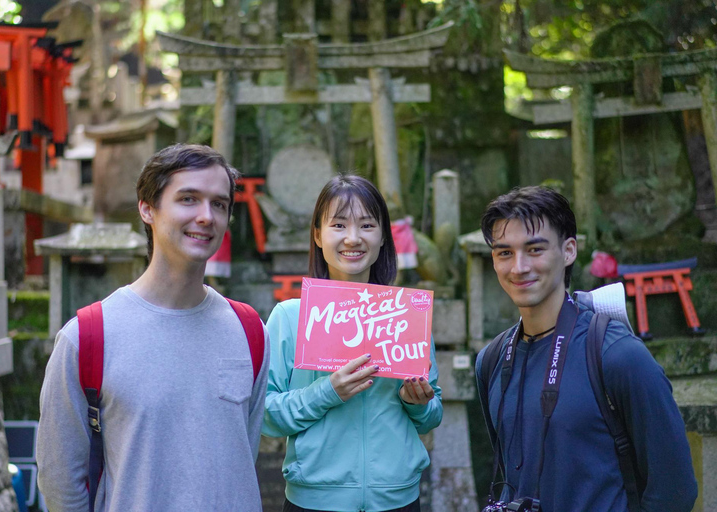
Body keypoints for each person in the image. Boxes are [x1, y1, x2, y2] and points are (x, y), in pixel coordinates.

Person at [37, 144, 270, 512]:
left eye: (219, 204)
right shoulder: (87, 336)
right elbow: (61, 482)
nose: (206, 216)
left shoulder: (250, 330)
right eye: (188, 199)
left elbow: (243, 455)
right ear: (147, 208)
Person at [475, 186, 697, 511]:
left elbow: (674, 491)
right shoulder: (491, 360)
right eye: (504, 253)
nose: (518, 267)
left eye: (535, 249)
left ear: (568, 251)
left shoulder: (618, 356)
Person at [262, 174, 443, 512]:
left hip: (398, 499)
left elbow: (432, 416)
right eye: (339, 225)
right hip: (314, 502)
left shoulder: (407, 314)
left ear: (383, 236)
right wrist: (327, 392)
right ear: (318, 235)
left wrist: (416, 402)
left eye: (367, 225)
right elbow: (266, 415)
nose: (353, 238)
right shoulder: (289, 316)